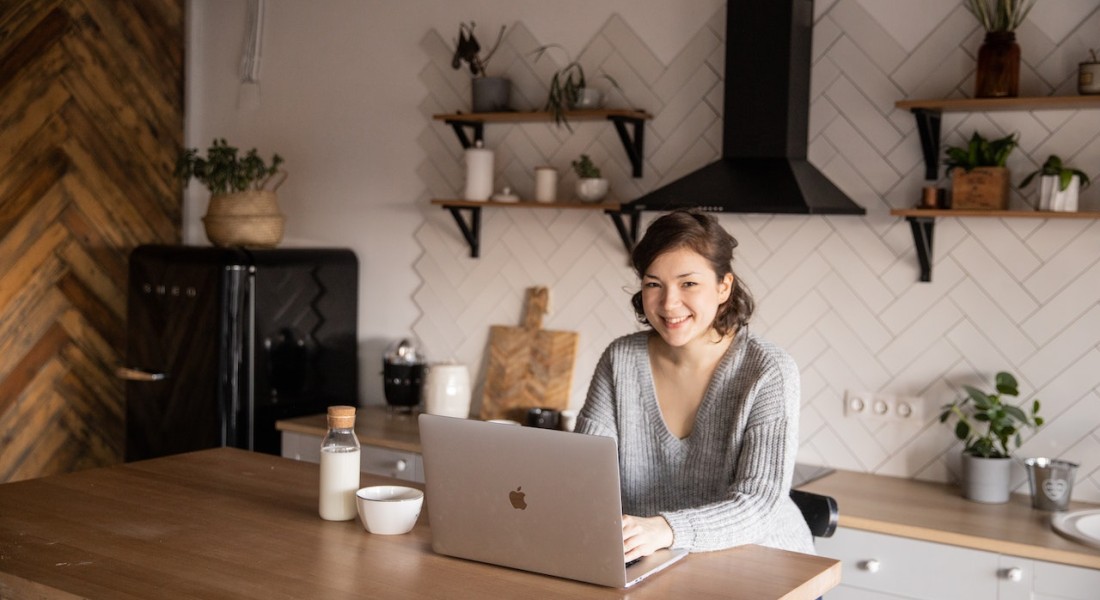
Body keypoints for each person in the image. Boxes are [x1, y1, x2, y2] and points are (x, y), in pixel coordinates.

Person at [574, 209, 813, 561]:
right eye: (654, 284)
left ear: (723, 287)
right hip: (655, 564)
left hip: (763, 566)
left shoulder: (767, 370)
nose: (669, 304)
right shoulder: (620, 359)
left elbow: (760, 505)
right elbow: (583, 474)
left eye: (688, 283)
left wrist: (664, 529)